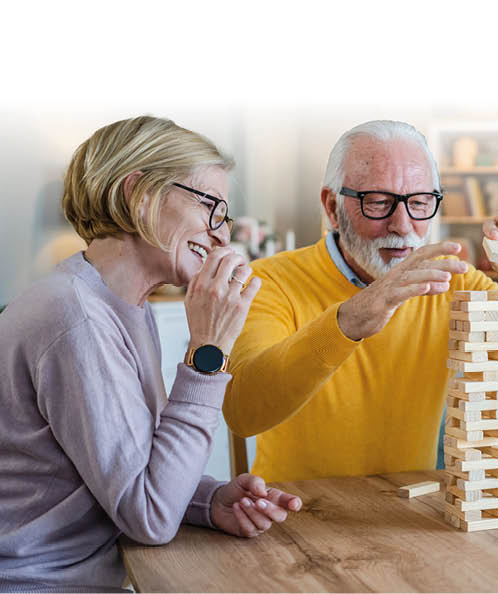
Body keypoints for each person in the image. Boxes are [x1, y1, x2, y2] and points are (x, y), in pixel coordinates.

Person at [0, 116, 301, 591]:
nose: (222, 236)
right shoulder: (74, 318)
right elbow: (150, 516)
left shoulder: (122, 307)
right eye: (211, 208)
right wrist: (209, 352)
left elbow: (134, 472)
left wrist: (208, 500)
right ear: (138, 194)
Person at [223, 120, 498, 482]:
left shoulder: (452, 281)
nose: (403, 225)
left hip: (406, 513)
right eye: (378, 202)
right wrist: (347, 323)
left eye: (419, 202)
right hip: (292, 513)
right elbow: (243, 412)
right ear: (331, 206)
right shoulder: (268, 281)